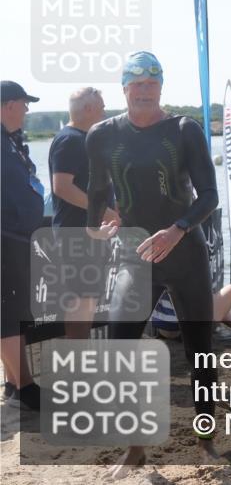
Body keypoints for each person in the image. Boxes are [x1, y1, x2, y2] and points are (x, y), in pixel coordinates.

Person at [85, 51, 220, 474]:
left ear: (161, 87)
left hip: (185, 252)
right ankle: (136, 447)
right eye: (137, 83)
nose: (145, 90)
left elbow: (209, 196)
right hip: (136, 254)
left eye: (152, 83)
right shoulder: (102, 135)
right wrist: (95, 226)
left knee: (200, 352)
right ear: (124, 88)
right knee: (118, 347)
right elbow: (97, 192)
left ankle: (206, 442)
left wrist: (177, 229)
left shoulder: (183, 130)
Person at [49, 87, 116, 339]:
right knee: (80, 302)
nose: (105, 112)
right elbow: (62, 187)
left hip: (90, 235)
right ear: (88, 109)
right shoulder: (69, 140)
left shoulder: (83, 138)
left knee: (87, 302)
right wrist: (104, 211)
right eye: (102, 106)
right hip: (76, 235)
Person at [1, 81, 44, 410]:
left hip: (16, 237)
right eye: (24, 103)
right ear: (9, 105)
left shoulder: (10, 140)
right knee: (9, 314)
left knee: (12, 313)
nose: (27, 110)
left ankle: (15, 383)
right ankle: (24, 387)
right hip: (5, 238)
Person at [152, 284, 231, 342]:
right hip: (187, 333)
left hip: (165, 330)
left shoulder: (156, 263)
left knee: (214, 301)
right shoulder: (189, 265)